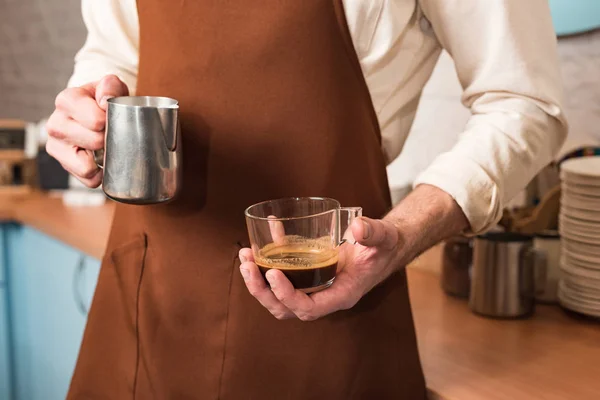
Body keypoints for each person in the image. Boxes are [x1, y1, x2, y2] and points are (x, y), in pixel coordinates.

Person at [46, 0, 567, 398]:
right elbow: (113, 51)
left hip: (330, 294)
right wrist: (86, 111)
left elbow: (522, 103)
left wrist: (405, 233)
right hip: (151, 294)